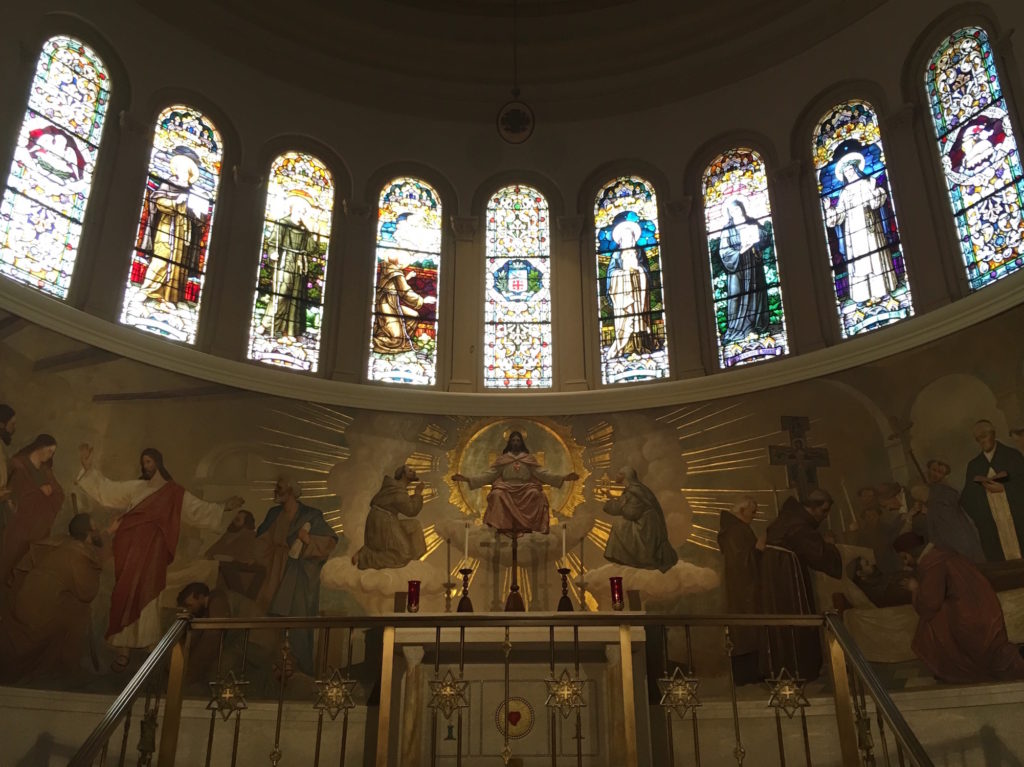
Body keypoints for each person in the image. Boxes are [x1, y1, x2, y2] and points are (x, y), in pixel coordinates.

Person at [75, 443, 244, 671]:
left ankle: (148, 645)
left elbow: (197, 509)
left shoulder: (174, 492)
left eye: (149, 461)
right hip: (129, 548)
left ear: (158, 463)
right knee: (124, 594)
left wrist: (224, 507)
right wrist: (88, 468)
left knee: (149, 592)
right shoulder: (137, 487)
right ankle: (123, 649)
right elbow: (108, 491)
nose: (145, 466)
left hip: (153, 551)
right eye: (143, 462)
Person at [0, 514, 104, 683]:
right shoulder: (77, 555)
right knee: (79, 612)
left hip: (28, 601)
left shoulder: (65, 543)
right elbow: (87, 592)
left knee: (73, 605)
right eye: (96, 529)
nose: (99, 531)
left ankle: (59, 663)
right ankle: (66, 666)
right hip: (37, 611)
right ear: (88, 534)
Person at [907, 542, 1024, 683]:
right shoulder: (943, 553)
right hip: (986, 612)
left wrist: (914, 589)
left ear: (910, 553)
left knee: (931, 622)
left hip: (969, 620)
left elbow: (929, 604)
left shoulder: (933, 564)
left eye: (904, 558)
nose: (904, 563)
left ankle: (951, 670)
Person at [254, 475, 337, 674]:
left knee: (298, 616)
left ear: (291, 491)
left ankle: (300, 666)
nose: (276, 491)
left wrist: (307, 540)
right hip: (275, 570)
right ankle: (270, 666)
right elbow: (260, 541)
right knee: (269, 616)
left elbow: (329, 541)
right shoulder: (274, 514)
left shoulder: (311, 514)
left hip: (299, 574)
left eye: (280, 488)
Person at [759, 489, 842, 682]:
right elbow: (819, 554)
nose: (825, 516)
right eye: (824, 511)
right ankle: (797, 669)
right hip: (786, 576)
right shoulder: (799, 524)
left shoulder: (790, 517)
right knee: (795, 616)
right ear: (812, 508)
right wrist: (830, 545)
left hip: (778, 572)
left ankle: (785, 668)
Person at [451, 430, 578, 534]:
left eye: (518, 440)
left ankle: (528, 526)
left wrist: (564, 477)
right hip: (505, 487)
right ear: (510, 443)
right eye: (513, 440)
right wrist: (467, 479)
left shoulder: (528, 459)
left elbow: (542, 474)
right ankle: (502, 526)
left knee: (536, 494)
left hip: (526, 488)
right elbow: (489, 475)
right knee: (496, 495)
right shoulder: (503, 459)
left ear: (521, 443)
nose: (516, 443)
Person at [137, 146, 209, 304]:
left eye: (185, 168)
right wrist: (176, 202)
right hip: (167, 225)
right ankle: (147, 290)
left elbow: (199, 220)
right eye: (180, 167)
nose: (181, 170)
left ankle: (170, 298)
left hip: (184, 231)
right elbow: (158, 200)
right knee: (162, 257)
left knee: (180, 263)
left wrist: (197, 213)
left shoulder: (195, 191)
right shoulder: (168, 183)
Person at [825, 152, 898, 305]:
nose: (849, 173)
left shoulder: (867, 182)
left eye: (851, 169)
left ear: (856, 169)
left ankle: (881, 292)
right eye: (846, 172)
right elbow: (839, 214)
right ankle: (865, 296)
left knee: (875, 258)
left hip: (869, 227)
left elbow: (877, 201)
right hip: (853, 232)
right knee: (860, 263)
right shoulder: (844, 193)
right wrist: (829, 209)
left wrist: (873, 191)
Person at [0, 434, 63, 587]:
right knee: (9, 555)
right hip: (18, 523)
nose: (50, 456)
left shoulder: (45, 469)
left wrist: (50, 491)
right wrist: (38, 491)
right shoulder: (18, 464)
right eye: (49, 451)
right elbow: (13, 492)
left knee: (27, 559)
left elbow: (59, 493)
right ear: (39, 448)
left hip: (36, 527)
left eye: (52, 453)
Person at [961, 420, 1024, 561]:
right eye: (978, 438)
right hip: (992, 524)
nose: (982, 440)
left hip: (1017, 519)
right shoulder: (974, 465)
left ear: (993, 434)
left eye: (984, 435)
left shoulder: (1012, 456)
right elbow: (966, 498)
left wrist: (1005, 489)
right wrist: (983, 516)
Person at [717, 496, 764, 684]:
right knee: (746, 630)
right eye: (752, 512)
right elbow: (741, 561)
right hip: (743, 590)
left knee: (749, 630)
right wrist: (758, 550)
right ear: (742, 511)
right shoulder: (735, 531)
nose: (755, 515)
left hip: (744, 587)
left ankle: (751, 672)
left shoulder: (736, 528)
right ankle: (747, 675)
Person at [601, 467, 677, 572]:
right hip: (645, 524)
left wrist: (610, 501)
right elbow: (624, 505)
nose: (616, 476)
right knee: (620, 524)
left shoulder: (634, 491)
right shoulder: (635, 489)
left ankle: (633, 558)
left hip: (647, 529)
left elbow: (630, 513)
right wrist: (610, 497)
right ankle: (627, 558)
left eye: (619, 474)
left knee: (619, 525)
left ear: (625, 476)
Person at [716, 198, 770, 342]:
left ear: (742, 208)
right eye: (733, 210)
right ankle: (736, 328)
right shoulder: (727, 229)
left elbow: (766, 237)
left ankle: (754, 325)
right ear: (730, 213)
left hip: (753, 264)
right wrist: (738, 253)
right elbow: (723, 250)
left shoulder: (752, 222)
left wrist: (756, 234)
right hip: (737, 267)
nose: (736, 211)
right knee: (735, 296)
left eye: (738, 208)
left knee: (755, 293)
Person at [264, 193, 317, 338]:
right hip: (285, 261)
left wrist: (312, 232)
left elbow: (311, 248)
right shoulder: (282, 222)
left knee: (295, 298)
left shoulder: (304, 230)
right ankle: (266, 325)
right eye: (300, 211)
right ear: (292, 209)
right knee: (281, 293)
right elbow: (273, 242)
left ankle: (290, 331)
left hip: (299, 266)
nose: (302, 214)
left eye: (304, 212)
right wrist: (273, 252)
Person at [355, 465, 427, 569]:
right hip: (383, 521)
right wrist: (418, 493)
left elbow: (405, 503)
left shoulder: (396, 488)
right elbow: (411, 510)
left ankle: (413, 559)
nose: (413, 472)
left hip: (385, 519)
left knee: (414, 525)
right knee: (402, 554)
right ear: (403, 475)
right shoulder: (397, 490)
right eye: (410, 471)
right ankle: (365, 556)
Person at [605, 212, 655, 358]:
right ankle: (625, 345)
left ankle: (643, 344)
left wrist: (638, 271)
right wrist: (623, 274)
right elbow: (611, 273)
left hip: (638, 292)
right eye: (625, 236)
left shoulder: (640, 252)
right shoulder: (616, 255)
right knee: (626, 321)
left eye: (631, 236)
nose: (629, 239)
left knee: (640, 317)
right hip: (624, 295)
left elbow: (646, 270)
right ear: (620, 239)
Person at [372, 253, 435, 354]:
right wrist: (423, 300)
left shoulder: (387, 268)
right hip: (386, 305)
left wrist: (406, 278)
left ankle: (404, 341)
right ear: (399, 262)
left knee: (413, 316)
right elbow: (405, 292)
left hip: (392, 303)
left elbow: (394, 284)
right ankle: (373, 341)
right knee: (396, 338)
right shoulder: (396, 273)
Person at [176, 581, 231, 690]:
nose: (189, 610)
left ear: (201, 597)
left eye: (190, 605)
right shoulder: (207, 610)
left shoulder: (217, 601)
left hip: (254, 644)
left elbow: (212, 638)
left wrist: (189, 674)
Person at [912, 483, 985, 564]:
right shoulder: (945, 493)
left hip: (960, 552)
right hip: (971, 541)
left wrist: (920, 559)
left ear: (921, 498)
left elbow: (934, 540)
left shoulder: (934, 510)